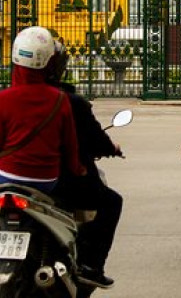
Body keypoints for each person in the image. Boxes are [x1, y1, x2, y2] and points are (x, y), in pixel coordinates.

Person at [0, 26, 85, 273]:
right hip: (46, 181)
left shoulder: (3, 98)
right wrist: (77, 169)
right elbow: (70, 146)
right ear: (49, 61)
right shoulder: (59, 99)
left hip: (5, 178)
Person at [47, 39, 122, 289]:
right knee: (112, 202)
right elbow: (92, 139)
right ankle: (91, 265)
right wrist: (111, 149)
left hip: (13, 179)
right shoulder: (71, 101)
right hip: (63, 180)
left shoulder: (7, 97)